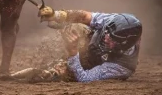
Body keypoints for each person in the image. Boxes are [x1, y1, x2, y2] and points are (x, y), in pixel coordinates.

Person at [10, 6, 142, 83]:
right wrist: (57, 15)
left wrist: (73, 51)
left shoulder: (121, 67)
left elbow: (85, 78)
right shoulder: (113, 22)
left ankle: (52, 71)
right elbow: (85, 17)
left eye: (112, 39)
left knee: (63, 74)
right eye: (107, 32)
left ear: (124, 44)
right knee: (78, 27)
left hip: (95, 64)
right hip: (93, 47)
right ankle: (61, 51)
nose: (106, 38)